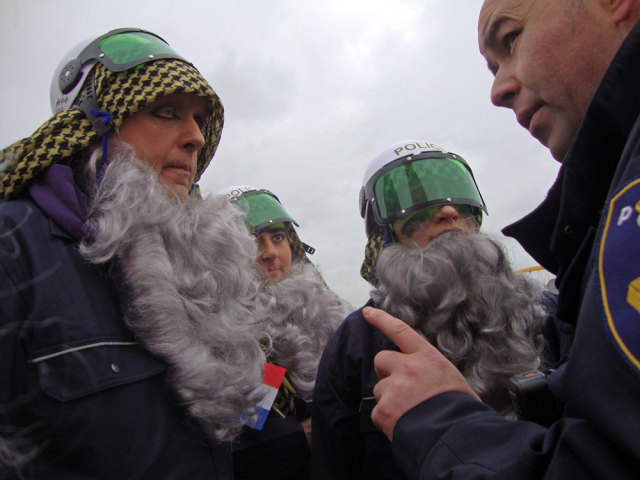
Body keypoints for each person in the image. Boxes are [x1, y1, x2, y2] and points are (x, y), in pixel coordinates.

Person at [363, 1, 640, 478]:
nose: (447, 210)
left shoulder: (536, 305)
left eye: (510, 39)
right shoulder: (363, 332)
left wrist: (443, 425)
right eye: (418, 205)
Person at [0, 28, 272, 479]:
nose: (196, 138)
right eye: (167, 112)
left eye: (199, 120)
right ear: (91, 128)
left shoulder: (200, 270)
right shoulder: (14, 249)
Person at [311, 139, 549, 479]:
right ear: (385, 232)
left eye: (457, 196)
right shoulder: (357, 338)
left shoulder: (540, 311)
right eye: (416, 204)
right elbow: (334, 461)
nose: (449, 212)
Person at [222, 185, 352, 480]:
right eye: (252, 241)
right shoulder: (236, 334)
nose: (269, 253)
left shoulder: (326, 310)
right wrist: (301, 435)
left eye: (277, 237)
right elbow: (250, 433)